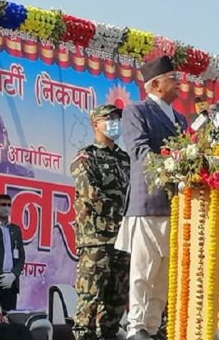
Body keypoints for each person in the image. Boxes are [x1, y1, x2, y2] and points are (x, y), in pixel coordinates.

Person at [115, 56, 187, 340]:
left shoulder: (180, 118)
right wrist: (173, 167)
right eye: (173, 78)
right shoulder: (136, 111)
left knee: (163, 278)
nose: (179, 83)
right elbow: (139, 151)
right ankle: (136, 329)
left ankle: (152, 328)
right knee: (143, 272)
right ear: (156, 84)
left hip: (175, 205)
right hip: (148, 203)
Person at [71, 104, 131, 340]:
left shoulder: (127, 159)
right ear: (95, 123)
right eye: (109, 118)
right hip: (96, 240)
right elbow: (91, 196)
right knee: (90, 301)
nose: (115, 122)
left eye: (117, 117)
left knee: (115, 304)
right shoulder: (85, 158)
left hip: (123, 240)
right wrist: (126, 214)